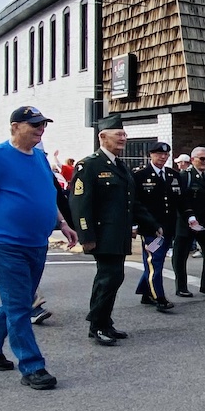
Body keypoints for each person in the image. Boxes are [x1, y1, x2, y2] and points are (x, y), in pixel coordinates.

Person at [0, 106, 77, 389]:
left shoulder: (41, 159)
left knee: (18, 299)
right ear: (15, 126)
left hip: (37, 242)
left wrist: (63, 223)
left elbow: (48, 195)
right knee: (20, 305)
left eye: (43, 124)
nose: (40, 129)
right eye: (34, 124)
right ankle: (32, 366)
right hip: (6, 243)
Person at [70, 114, 160, 346]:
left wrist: (152, 224)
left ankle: (104, 322)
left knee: (113, 278)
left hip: (119, 234)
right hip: (102, 234)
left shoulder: (121, 166)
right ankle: (97, 324)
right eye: (118, 134)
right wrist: (86, 236)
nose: (123, 138)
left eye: (124, 134)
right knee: (108, 278)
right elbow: (80, 204)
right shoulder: (89, 165)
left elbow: (133, 202)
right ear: (102, 136)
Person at [132, 142, 180, 312]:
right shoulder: (140, 176)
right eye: (159, 154)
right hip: (151, 229)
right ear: (150, 155)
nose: (163, 157)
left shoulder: (173, 175)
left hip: (168, 228)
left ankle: (146, 291)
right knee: (155, 261)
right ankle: (159, 296)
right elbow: (135, 203)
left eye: (166, 155)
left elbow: (179, 201)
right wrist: (135, 225)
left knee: (153, 262)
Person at [172, 146, 205, 298]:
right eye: (202, 158)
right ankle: (181, 286)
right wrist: (189, 218)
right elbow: (180, 200)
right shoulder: (184, 176)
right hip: (186, 222)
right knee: (181, 255)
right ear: (192, 160)